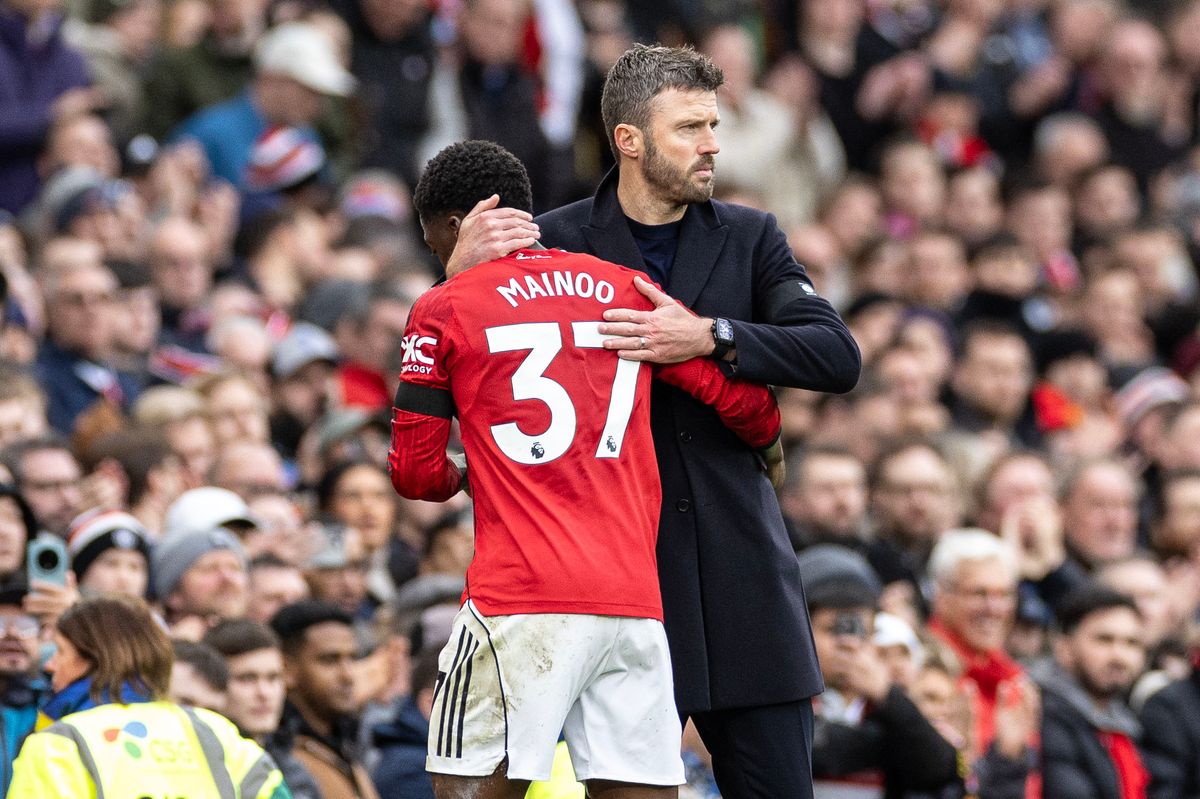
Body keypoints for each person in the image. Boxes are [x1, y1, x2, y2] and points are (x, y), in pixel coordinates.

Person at [447, 43, 860, 798]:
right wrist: (458, 277)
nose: (712, 144)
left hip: (745, 579)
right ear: (629, 140)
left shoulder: (752, 235)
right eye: (690, 128)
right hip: (617, 589)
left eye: (714, 125)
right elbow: (454, 354)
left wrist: (710, 336)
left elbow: (835, 355)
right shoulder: (554, 240)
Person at [390, 138, 783, 797]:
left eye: (434, 243)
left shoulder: (444, 304)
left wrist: (470, 470)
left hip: (517, 603)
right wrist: (764, 441)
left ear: (455, 227)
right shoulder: (624, 289)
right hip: (634, 606)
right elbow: (749, 408)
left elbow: (415, 472)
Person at [9, 595, 290, 798]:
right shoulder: (212, 730)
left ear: (96, 659)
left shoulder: (58, 745)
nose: (50, 665)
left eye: (60, 651)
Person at [797, 544, 963, 798]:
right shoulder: (787, 700)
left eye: (859, 630)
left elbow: (938, 770)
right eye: (833, 629)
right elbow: (814, 752)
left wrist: (887, 695)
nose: (849, 643)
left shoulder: (887, 708)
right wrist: (883, 744)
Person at [1035, 584, 1149, 799]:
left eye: (1132, 643)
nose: (1119, 656)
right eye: (1104, 640)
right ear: (1063, 647)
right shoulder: (1043, 714)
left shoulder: (1125, 724)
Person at [270, 600, 379, 799]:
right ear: (287, 668)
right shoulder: (276, 757)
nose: (347, 675)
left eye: (352, 658)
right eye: (330, 660)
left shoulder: (347, 743)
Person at [204, 618, 322, 799]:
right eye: (247, 678)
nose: (264, 693)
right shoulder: (198, 766)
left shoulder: (295, 769)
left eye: (273, 678)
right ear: (213, 686)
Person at [0, 581, 49, 796]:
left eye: (26, 625)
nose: (12, 633)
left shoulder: (58, 704)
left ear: (44, 637)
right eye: (0, 624)